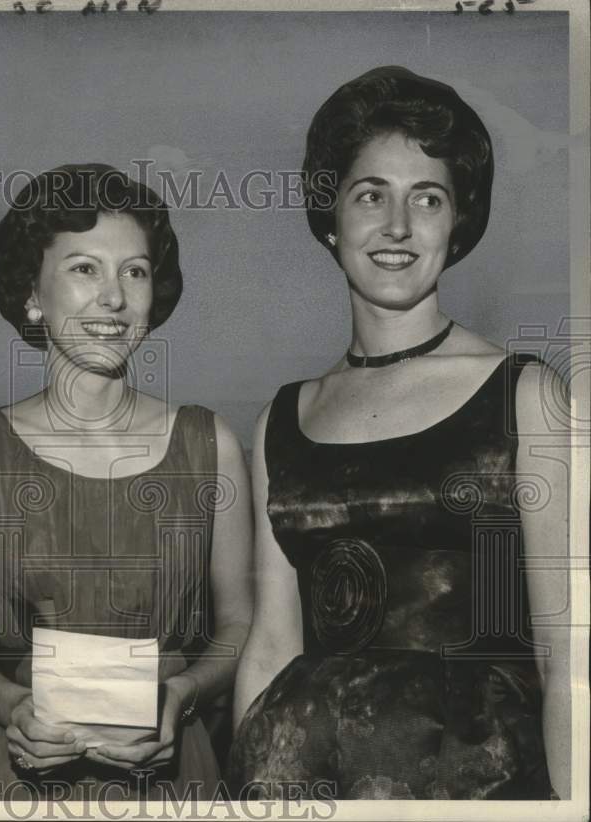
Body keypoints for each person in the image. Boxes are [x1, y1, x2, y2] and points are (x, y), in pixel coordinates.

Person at [228, 66, 571, 801]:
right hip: (300, 784)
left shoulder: (528, 395)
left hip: (480, 787)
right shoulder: (280, 421)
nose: (397, 227)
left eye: (428, 198)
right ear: (331, 219)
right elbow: (270, 648)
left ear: (457, 223)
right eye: (369, 195)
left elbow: (569, 651)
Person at [0, 164, 253, 799]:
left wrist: (183, 695)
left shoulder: (211, 446)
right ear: (32, 294)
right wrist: (7, 705)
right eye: (84, 268)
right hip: (13, 772)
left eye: (135, 270)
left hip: (173, 776)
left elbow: (239, 625)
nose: (114, 298)